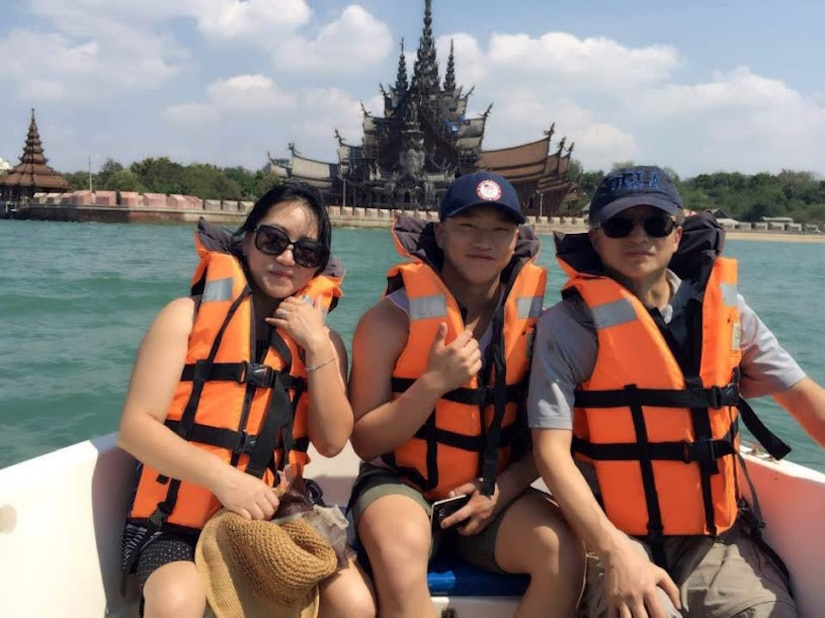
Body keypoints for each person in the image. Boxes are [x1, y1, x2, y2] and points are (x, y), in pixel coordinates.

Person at [528, 165, 825, 618]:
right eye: (619, 224)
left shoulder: (727, 313)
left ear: (677, 235)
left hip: (711, 534)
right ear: (595, 238)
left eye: (656, 223)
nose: (638, 236)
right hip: (609, 532)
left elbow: (802, 397)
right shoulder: (566, 328)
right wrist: (613, 550)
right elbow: (551, 454)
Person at [118, 181, 375, 618]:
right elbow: (135, 429)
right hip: (177, 522)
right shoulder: (185, 316)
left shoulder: (327, 343)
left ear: (318, 267)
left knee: (356, 604)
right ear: (248, 238)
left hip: (277, 518)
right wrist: (224, 480)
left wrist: (316, 347)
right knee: (177, 603)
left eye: (306, 252)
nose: (287, 258)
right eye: (273, 240)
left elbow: (332, 442)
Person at [348, 171, 586, 618]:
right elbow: (365, 441)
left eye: (500, 229)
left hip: (494, 491)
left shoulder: (540, 327)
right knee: (400, 559)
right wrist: (433, 383)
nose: (485, 241)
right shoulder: (386, 321)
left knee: (563, 555)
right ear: (440, 233)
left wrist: (501, 488)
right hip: (401, 485)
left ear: (516, 239)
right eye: (467, 225)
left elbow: (552, 438)